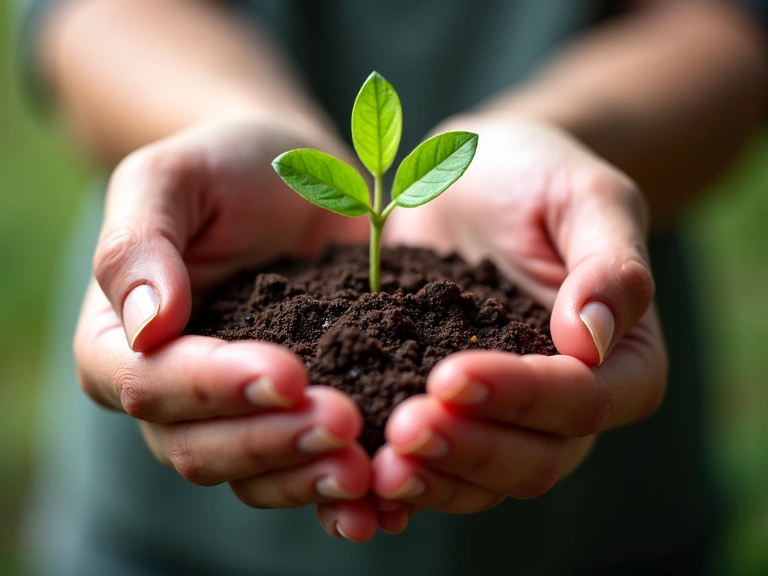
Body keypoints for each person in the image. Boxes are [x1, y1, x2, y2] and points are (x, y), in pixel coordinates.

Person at [17, 0, 768, 574]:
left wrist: (566, 133)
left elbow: (725, 25)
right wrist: (226, 119)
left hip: (601, 526)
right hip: (168, 539)